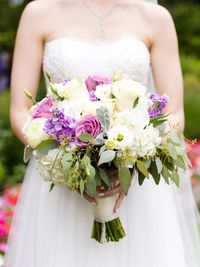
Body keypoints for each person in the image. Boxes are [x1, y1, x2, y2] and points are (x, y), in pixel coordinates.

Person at [5, 0, 200, 266]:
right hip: (61, 186)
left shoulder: (155, 18)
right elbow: (20, 110)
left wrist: (131, 157)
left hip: (136, 187)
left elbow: (174, 113)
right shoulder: (40, 12)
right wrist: (67, 158)